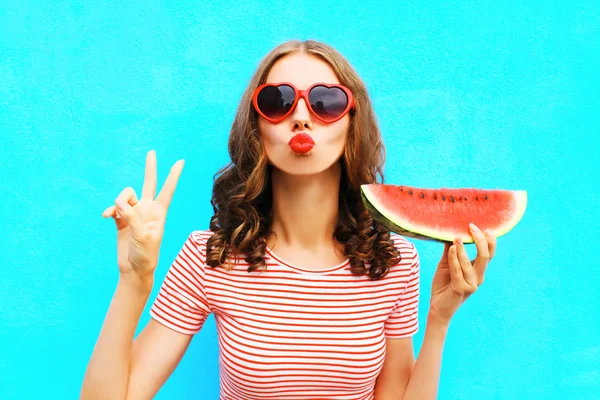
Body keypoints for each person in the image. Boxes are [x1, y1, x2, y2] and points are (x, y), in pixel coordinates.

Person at [81, 40, 496, 400]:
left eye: (326, 102)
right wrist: (134, 281)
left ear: (352, 124)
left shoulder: (393, 263)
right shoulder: (211, 257)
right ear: (257, 127)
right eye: (277, 101)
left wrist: (440, 319)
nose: (301, 116)